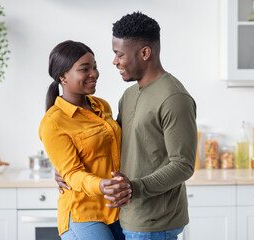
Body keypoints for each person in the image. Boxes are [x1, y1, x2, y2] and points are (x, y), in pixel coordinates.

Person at [56, 12, 197, 240]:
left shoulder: (174, 98)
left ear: (144, 53)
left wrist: (134, 187)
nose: (114, 62)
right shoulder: (129, 95)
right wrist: (67, 169)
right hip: (128, 217)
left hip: (155, 222)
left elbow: (183, 165)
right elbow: (113, 145)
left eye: (119, 54)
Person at [39, 40, 130, 240]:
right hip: (82, 213)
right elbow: (72, 173)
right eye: (85, 69)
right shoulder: (53, 122)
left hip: (115, 209)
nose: (94, 74)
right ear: (63, 75)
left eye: (95, 67)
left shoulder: (102, 106)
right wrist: (103, 185)